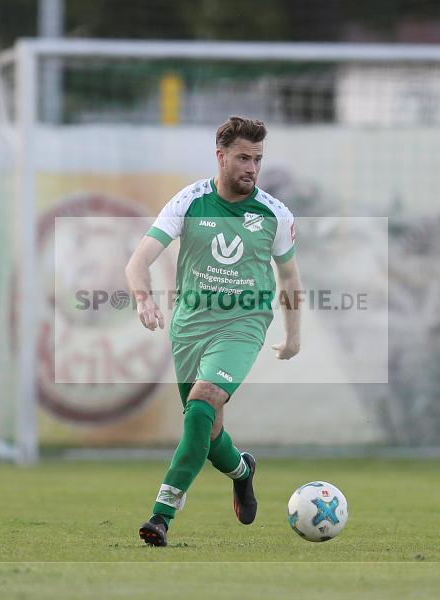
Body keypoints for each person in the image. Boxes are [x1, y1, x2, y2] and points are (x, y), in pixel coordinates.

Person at [125, 116, 303, 546]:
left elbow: (290, 279)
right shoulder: (189, 201)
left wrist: (294, 335)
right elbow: (137, 262)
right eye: (243, 158)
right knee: (207, 428)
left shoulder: (275, 214)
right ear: (220, 157)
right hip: (189, 328)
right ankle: (242, 470)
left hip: (243, 324)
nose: (252, 168)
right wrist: (144, 299)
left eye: (257, 159)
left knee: (203, 402)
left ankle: (162, 515)